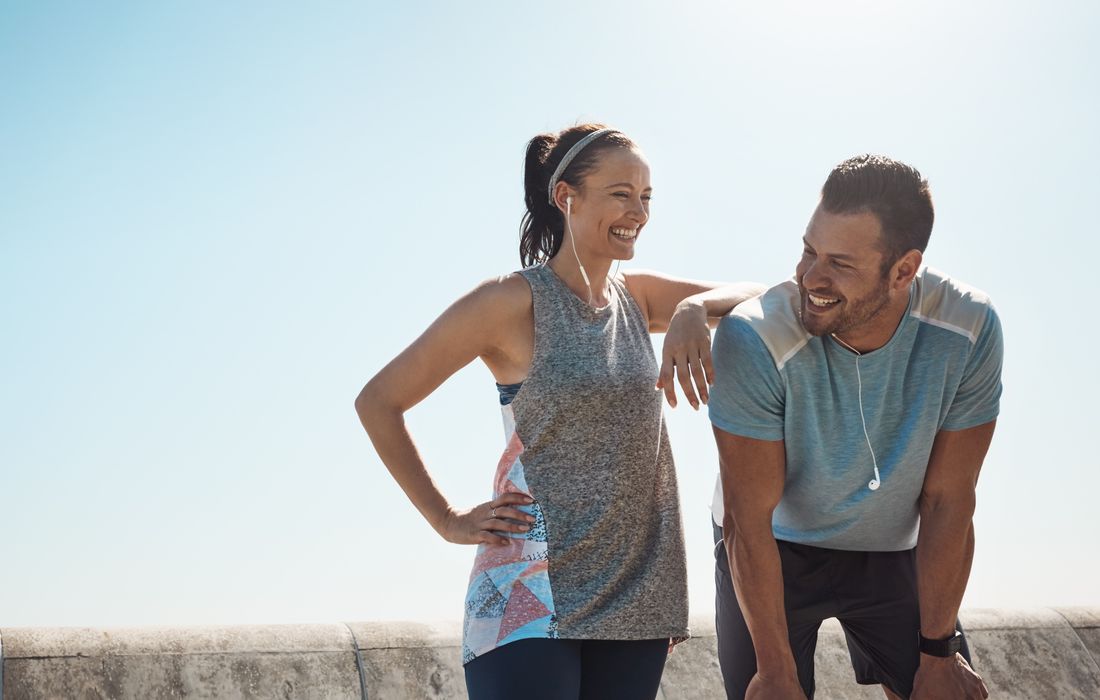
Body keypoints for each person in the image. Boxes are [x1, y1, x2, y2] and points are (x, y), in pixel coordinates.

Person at [355, 123, 762, 700]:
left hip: (637, 588)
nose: (638, 212)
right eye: (620, 193)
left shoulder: (638, 296)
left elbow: (765, 296)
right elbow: (378, 401)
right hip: (532, 591)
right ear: (565, 196)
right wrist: (446, 518)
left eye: (646, 197)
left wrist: (695, 307)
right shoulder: (508, 302)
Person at [669, 154, 1002, 699]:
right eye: (808, 250)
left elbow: (949, 501)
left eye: (840, 264)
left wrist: (938, 652)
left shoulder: (968, 327)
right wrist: (775, 671)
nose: (810, 278)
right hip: (773, 544)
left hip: (890, 546)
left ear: (903, 270)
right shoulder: (755, 338)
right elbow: (747, 520)